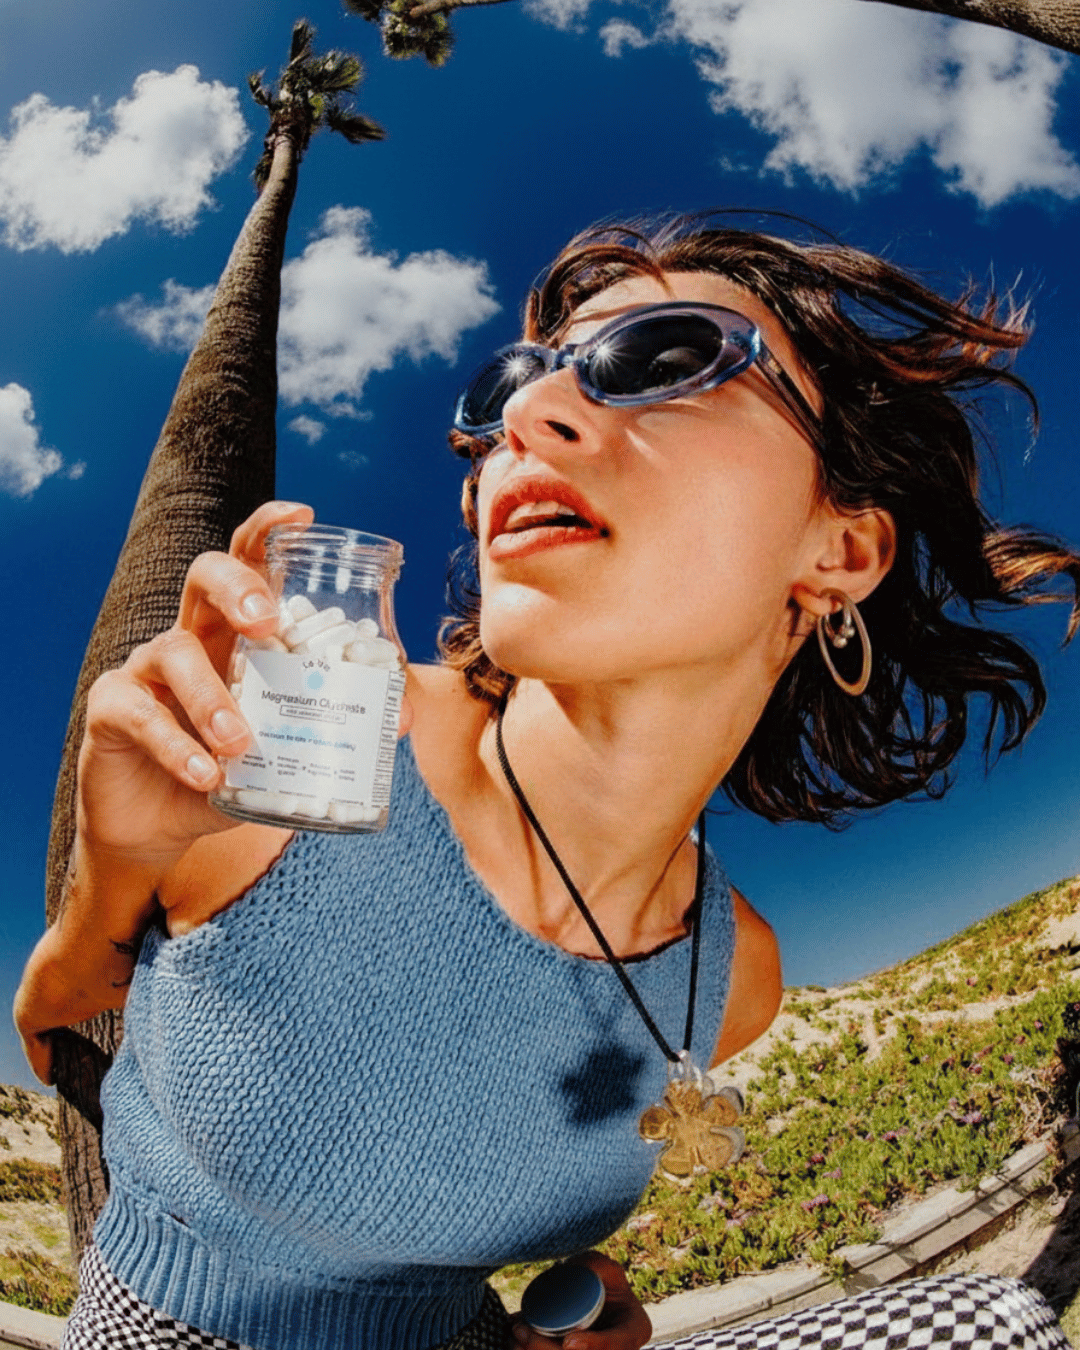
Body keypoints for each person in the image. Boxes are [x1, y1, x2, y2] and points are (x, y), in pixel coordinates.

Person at [14, 214, 1080, 1350]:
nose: (524, 416)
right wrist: (119, 864)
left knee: (978, 1325)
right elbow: (64, 1003)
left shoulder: (736, 981)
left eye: (667, 359)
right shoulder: (311, 749)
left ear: (841, 551)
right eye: (504, 388)